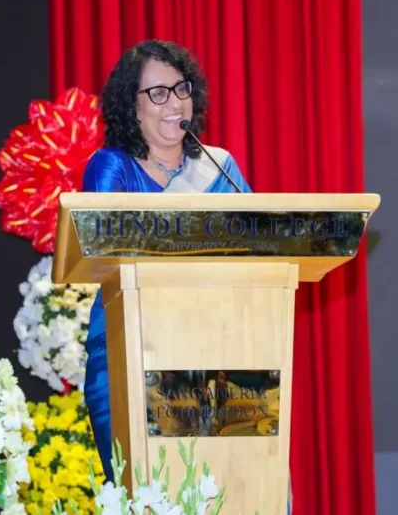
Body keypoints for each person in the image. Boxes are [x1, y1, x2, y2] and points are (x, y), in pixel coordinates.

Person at [81, 39, 252, 483]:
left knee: (237, 489)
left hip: (221, 353)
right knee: (152, 492)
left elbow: (261, 250)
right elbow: (108, 253)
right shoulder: (112, 167)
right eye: (157, 93)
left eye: (181, 89)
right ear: (132, 107)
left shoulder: (220, 168)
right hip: (132, 349)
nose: (174, 102)